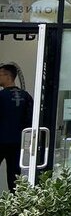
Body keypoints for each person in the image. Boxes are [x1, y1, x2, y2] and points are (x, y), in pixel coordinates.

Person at [0, 63, 33, 192]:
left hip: (1, 140)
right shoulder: (26, 96)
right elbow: (30, 119)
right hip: (18, 141)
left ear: (8, 76)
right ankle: (15, 201)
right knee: (14, 175)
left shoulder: (1, 96)